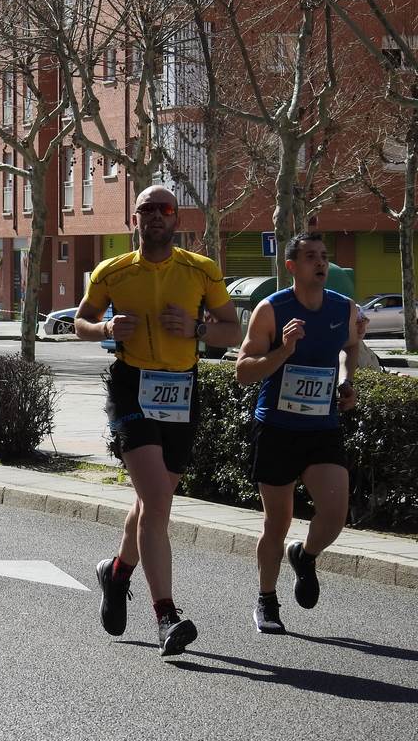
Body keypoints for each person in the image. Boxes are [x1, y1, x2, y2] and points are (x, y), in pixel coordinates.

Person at [74, 185, 241, 657]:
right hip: (131, 386)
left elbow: (233, 330)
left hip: (181, 390)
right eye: (146, 210)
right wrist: (105, 329)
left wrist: (199, 329)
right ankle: (166, 615)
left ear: (177, 218)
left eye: (163, 210)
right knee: (157, 499)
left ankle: (118, 571)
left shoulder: (200, 270)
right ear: (135, 219)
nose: (155, 217)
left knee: (154, 501)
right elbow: (80, 323)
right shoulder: (113, 271)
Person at [236, 232, 359, 634]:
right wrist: (284, 352)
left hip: (322, 427)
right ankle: (266, 600)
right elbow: (242, 371)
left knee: (336, 511)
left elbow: (348, 348)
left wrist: (345, 382)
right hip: (276, 427)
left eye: (324, 257)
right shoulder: (271, 310)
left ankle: (305, 556)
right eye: (310, 257)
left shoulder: (344, 308)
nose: (320, 263)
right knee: (278, 521)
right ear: (291, 266)